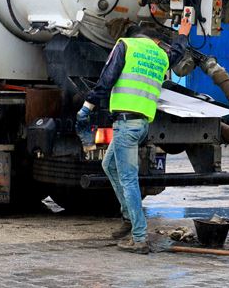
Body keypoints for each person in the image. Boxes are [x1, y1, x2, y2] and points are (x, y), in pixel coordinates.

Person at [76, 18, 191, 254]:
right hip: (141, 125)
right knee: (110, 166)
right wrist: (183, 33)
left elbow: (107, 79)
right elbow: (178, 53)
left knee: (128, 179)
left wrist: (86, 107)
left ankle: (138, 236)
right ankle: (129, 218)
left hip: (126, 125)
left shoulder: (125, 45)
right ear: (156, 40)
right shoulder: (160, 55)